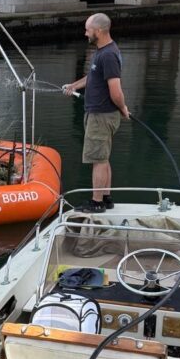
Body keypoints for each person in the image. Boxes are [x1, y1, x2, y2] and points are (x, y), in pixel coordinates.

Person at [63, 13, 130, 213]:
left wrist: (123, 108)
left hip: (101, 116)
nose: (85, 33)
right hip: (99, 114)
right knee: (103, 157)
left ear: (98, 31)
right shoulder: (103, 51)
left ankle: (97, 202)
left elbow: (115, 90)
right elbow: (93, 76)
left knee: (97, 160)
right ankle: (106, 197)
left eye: (87, 29)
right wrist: (73, 85)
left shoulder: (108, 55)